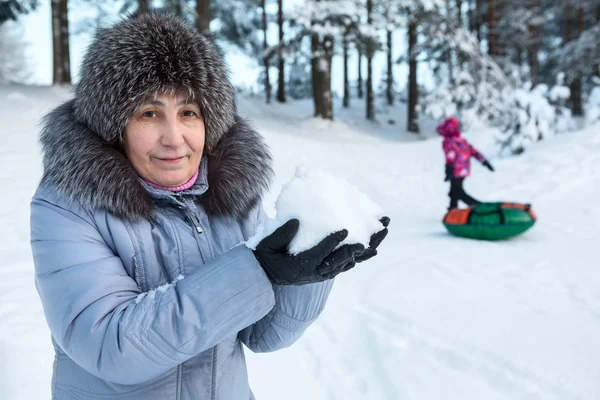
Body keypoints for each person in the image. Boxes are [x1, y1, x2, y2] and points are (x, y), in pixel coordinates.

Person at [29, 12, 389, 400]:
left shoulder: (231, 194)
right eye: (149, 113)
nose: (174, 137)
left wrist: (308, 269)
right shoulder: (68, 205)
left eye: (188, 113)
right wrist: (256, 270)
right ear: (115, 126)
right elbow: (111, 346)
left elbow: (266, 335)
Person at [437, 116, 494, 210]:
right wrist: (484, 161)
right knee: (454, 191)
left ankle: (480, 207)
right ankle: (452, 211)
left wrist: (448, 169)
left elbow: (450, 155)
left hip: (455, 170)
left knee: (458, 192)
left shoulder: (449, 141)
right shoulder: (461, 141)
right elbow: (474, 152)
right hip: (463, 170)